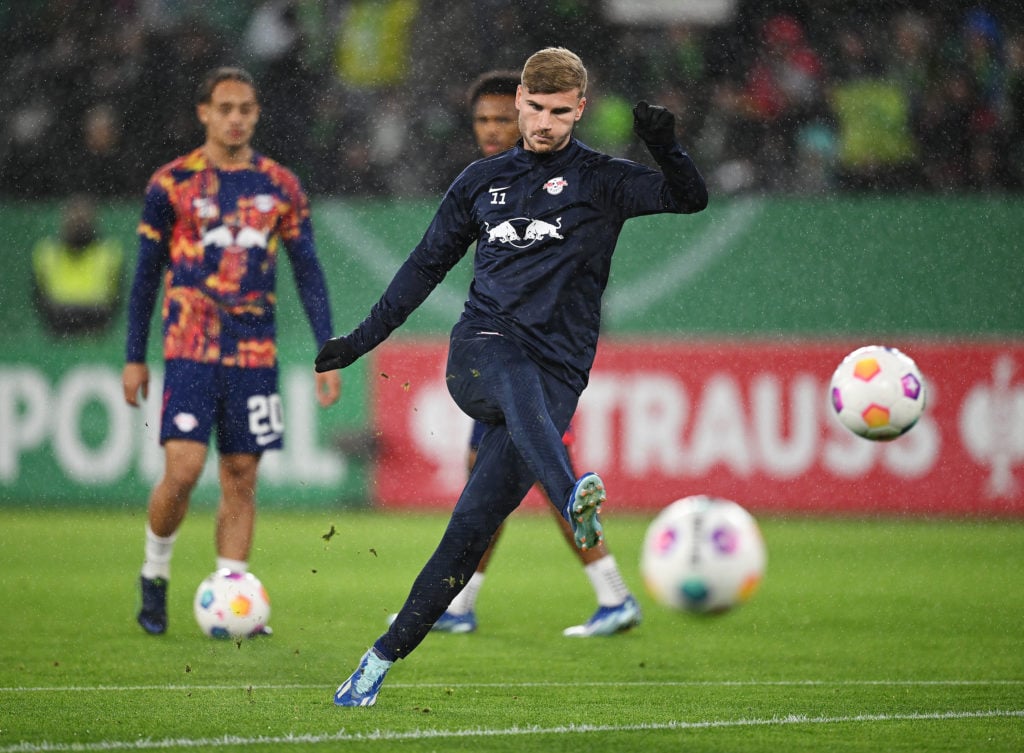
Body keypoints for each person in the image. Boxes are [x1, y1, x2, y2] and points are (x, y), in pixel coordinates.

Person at [316, 47, 707, 707]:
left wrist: (666, 147)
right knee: (512, 373)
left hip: (557, 377)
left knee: (469, 529)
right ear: (520, 102)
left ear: (579, 109)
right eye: (536, 108)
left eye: (561, 111)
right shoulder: (480, 182)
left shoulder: (605, 180)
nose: (546, 122)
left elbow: (688, 198)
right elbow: (422, 269)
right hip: (481, 353)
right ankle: (572, 495)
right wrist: (360, 341)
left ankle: (375, 664)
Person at [123, 66, 341, 636]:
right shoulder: (171, 184)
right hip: (190, 345)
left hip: (253, 353)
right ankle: (155, 571)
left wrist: (328, 350)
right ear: (204, 113)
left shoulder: (281, 187)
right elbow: (146, 276)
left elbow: (310, 272)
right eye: (225, 108)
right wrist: (133, 354)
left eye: (245, 108)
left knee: (241, 473)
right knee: (185, 468)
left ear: (257, 113)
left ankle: (234, 591)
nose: (236, 117)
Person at [431, 69, 641, 638]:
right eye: (484, 120)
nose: (494, 130)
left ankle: (612, 594)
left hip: (543, 364)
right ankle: (461, 603)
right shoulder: (490, 184)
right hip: (504, 359)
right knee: (494, 478)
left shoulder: (571, 179)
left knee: (549, 481)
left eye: (504, 118)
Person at [32, 194, 124, 336]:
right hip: (57, 329)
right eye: (73, 218)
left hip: (97, 329)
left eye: (83, 219)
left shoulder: (109, 252)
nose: (77, 224)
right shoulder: (46, 252)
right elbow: (38, 296)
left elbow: (117, 298)